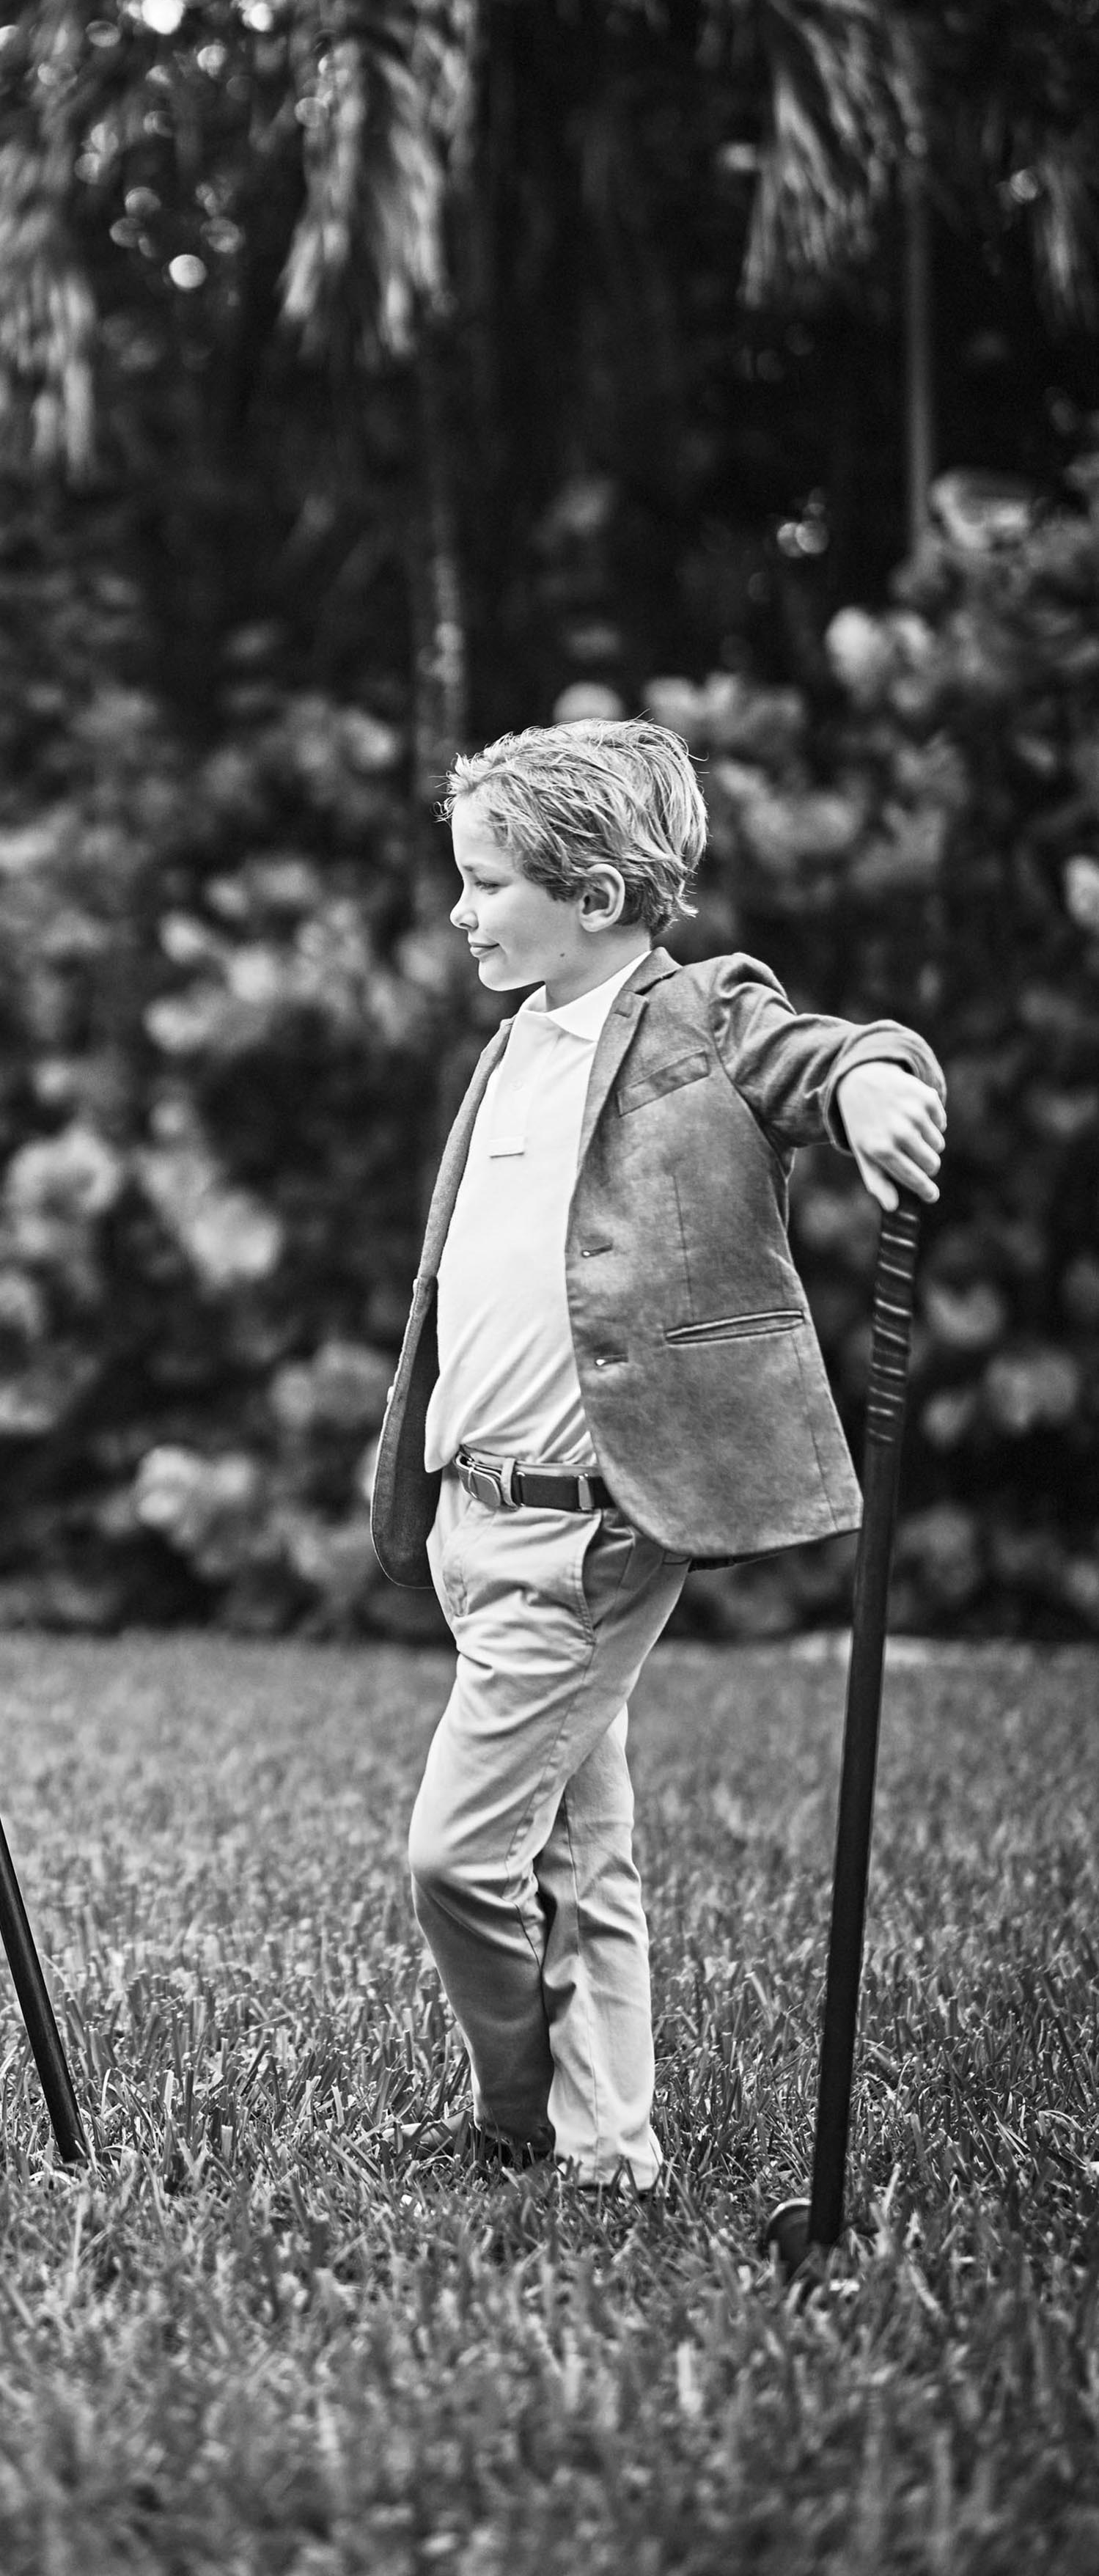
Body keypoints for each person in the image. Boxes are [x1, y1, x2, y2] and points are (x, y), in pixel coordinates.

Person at [370, 718, 945, 2189]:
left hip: (597, 1522)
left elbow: (812, 1052)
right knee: (583, 1845)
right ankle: (612, 2144)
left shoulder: (697, 1013)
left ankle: (516, 2113)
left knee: (456, 1857)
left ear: (600, 896)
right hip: (475, 1510)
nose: (458, 909)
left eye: (486, 881)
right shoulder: (510, 1047)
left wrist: (874, 1080)